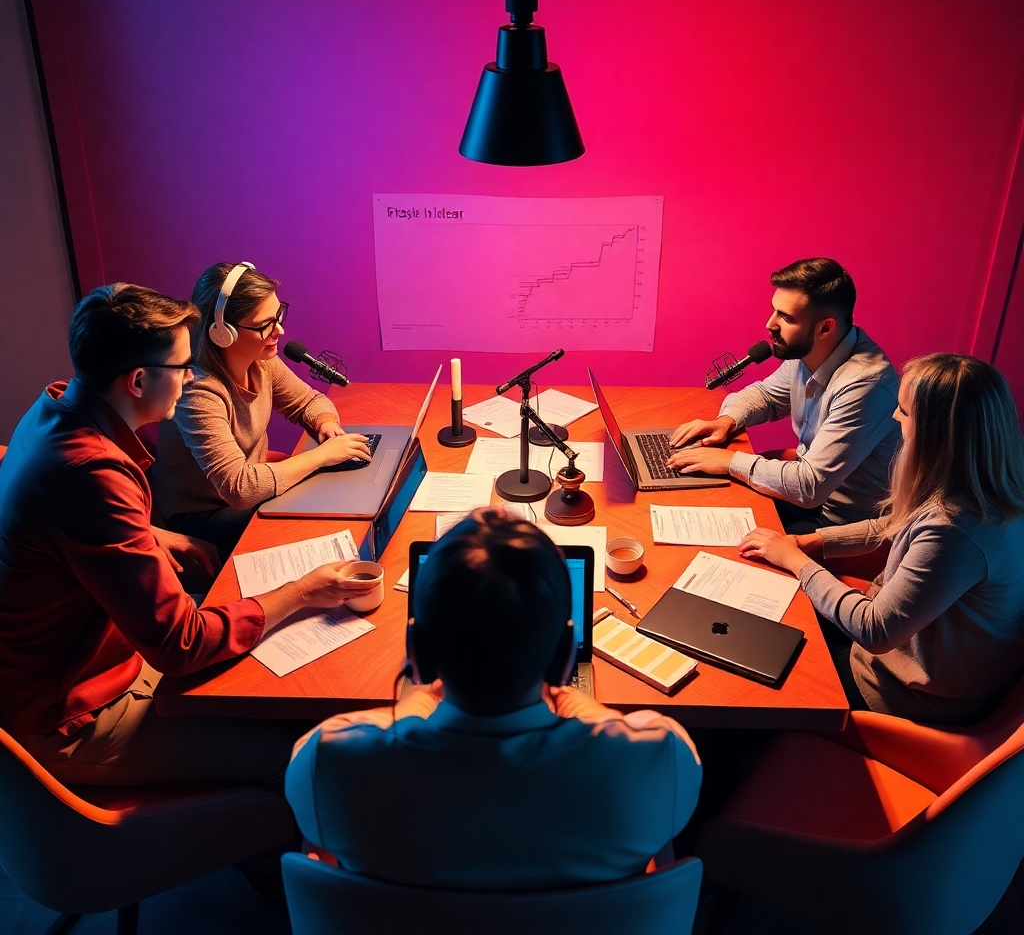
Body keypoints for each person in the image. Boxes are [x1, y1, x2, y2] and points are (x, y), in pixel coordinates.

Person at [0, 283, 364, 788]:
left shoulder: (57, 408)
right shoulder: (91, 476)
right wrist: (303, 591)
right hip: (74, 716)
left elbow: (54, 514)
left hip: (108, 655)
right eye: (182, 366)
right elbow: (181, 645)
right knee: (304, 750)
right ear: (138, 381)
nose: (192, 376)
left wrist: (148, 533)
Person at [286, 508, 702, 890]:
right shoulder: (658, 756)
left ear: (418, 651)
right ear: (564, 655)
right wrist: (579, 705)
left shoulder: (330, 760)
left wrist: (417, 704)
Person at [737, 354, 1024, 726]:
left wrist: (797, 563)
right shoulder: (986, 490)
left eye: (903, 411)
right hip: (913, 662)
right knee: (767, 621)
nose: (894, 416)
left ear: (936, 431)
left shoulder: (955, 530)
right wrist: (811, 542)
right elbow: (892, 525)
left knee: (751, 672)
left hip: (903, 695)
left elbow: (875, 631)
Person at [149, 262, 370, 562]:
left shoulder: (261, 360)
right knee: (315, 524)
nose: (279, 330)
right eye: (265, 324)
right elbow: (239, 488)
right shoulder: (197, 391)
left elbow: (309, 401)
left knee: (331, 498)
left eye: (278, 315)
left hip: (245, 492)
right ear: (223, 333)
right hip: (202, 516)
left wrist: (325, 424)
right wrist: (323, 456)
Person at [667, 258, 900, 533]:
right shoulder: (811, 349)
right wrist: (726, 421)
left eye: (786, 318)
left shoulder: (865, 384)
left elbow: (809, 487)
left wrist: (729, 462)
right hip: (801, 501)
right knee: (692, 500)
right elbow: (767, 395)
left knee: (711, 532)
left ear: (825, 327)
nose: (770, 324)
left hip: (837, 525)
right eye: (774, 311)